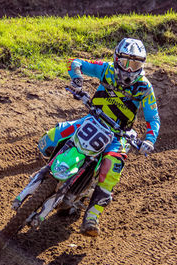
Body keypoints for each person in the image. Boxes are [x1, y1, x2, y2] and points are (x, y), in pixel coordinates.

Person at [38, 38, 160, 237]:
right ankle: (48, 173)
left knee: (112, 165)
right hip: (93, 120)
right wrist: (77, 79)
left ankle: (92, 216)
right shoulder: (106, 70)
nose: (129, 70)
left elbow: (152, 117)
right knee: (53, 136)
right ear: (116, 59)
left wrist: (149, 140)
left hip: (119, 134)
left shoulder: (144, 88)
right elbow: (74, 62)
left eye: (135, 64)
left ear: (142, 65)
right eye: (125, 63)